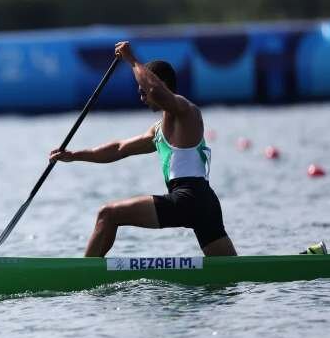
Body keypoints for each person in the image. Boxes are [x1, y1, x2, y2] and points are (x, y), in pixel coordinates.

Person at [50, 41, 237, 257]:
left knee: (108, 214)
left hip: (189, 197)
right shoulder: (158, 130)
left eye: (142, 92)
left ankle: (81, 276)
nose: (142, 98)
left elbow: (155, 90)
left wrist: (131, 59)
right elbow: (119, 149)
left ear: (163, 84)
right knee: (231, 272)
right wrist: (73, 156)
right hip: (203, 203)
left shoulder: (185, 110)